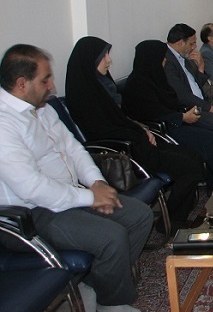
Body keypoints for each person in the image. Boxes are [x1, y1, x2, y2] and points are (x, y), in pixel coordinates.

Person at [0, 44, 153, 312]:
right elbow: (31, 187)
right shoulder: (4, 124)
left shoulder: (42, 108)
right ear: (22, 84)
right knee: (112, 237)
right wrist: (90, 197)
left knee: (140, 215)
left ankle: (101, 281)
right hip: (32, 214)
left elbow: (73, 148)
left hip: (71, 194)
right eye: (45, 80)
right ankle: (112, 303)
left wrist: (97, 182)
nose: (52, 86)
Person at [65, 36, 210, 230]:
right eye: (104, 56)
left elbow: (121, 118)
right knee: (188, 165)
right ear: (90, 60)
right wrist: (138, 131)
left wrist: (141, 128)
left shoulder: (102, 86)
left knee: (193, 155)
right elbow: (104, 130)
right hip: (123, 150)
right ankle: (172, 221)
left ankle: (179, 213)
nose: (109, 60)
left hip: (135, 141)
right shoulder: (84, 94)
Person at [122, 40, 213, 180]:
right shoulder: (137, 85)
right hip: (163, 129)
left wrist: (185, 114)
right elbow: (151, 114)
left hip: (177, 119)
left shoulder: (157, 77)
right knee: (210, 140)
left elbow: (171, 101)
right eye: (162, 57)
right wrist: (182, 117)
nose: (165, 60)